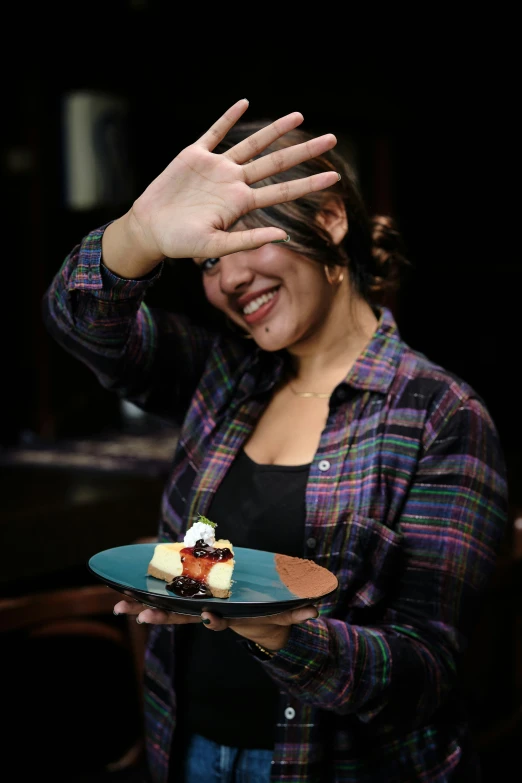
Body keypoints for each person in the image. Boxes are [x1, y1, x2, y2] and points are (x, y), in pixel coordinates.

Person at [42, 98, 508, 783]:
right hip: (188, 751)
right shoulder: (224, 373)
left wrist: (283, 631)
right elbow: (78, 320)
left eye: (244, 238)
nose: (227, 278)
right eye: (205, 258)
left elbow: (422, 676)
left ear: (329, 219)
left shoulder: (440, 414)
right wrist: (140, 230)